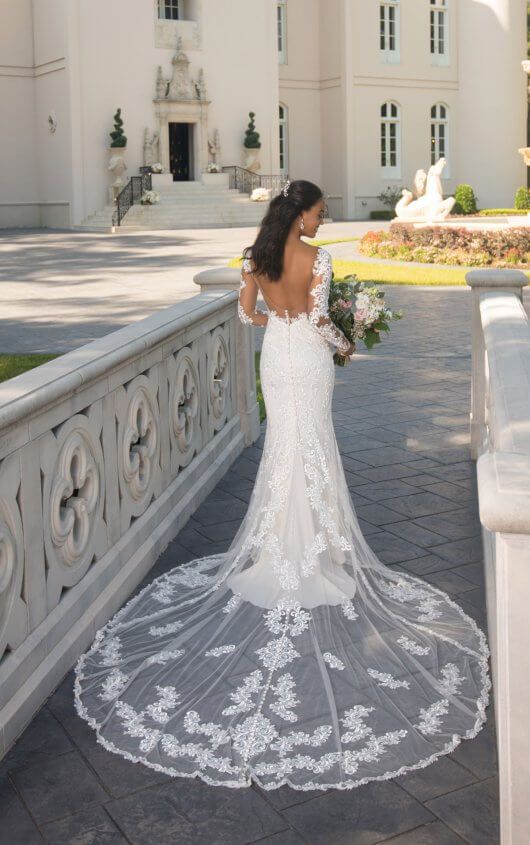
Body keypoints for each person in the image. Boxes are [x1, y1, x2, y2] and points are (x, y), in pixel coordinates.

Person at [74, 179, 490, 792]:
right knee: (313, 446)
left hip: (277, 353)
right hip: (310, 357)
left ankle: (278, 552)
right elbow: (321, 319)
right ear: (300, 215)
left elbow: (246, 314)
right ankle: (314, 548)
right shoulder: (317, 260)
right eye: (320, 214)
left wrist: (274, 314)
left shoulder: (255, 257)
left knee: (285, 448)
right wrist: (346, 345)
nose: (323, 223)